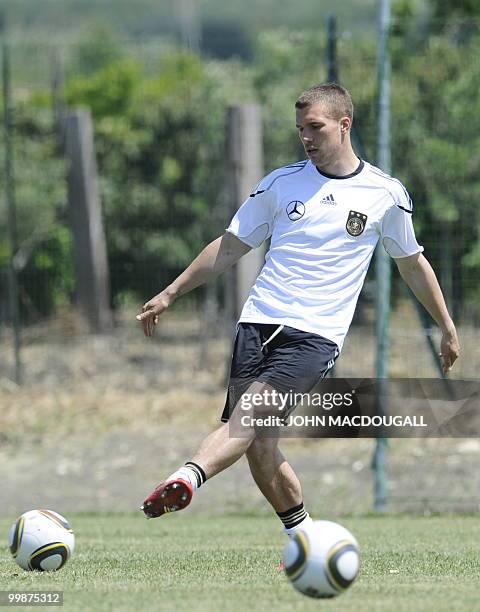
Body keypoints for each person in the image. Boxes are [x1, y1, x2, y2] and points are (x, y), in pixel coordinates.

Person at [136, 83, 460, 536]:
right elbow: (230, 246)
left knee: (247, 420)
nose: (306, 137)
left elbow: (412, 263)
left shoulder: (384, 193)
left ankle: (186, 477)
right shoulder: (280, 183)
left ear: (344, 125)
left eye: (315, 127)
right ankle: (304, 539)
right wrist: (171, 292)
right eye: (300, 129)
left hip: (316, 334)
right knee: (259, 444)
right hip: (257, 321)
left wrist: (446, 324)